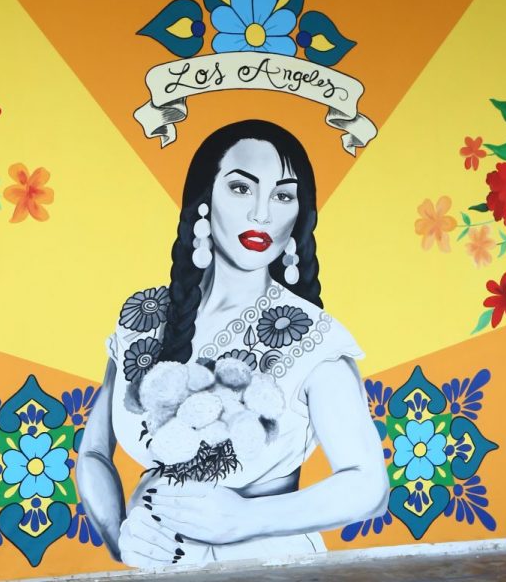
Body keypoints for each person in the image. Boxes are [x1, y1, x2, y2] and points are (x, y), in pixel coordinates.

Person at [77, 120, 389, 566]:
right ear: (204, 199)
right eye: (242, 189)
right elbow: (93, 452)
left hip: (267, 567)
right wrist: (120, 537)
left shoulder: (313, 339)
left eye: (283, 196)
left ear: (298, 214)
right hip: (153, 568)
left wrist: (245, 518)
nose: (262, 215)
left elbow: (368, 486)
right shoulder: (144, 317)